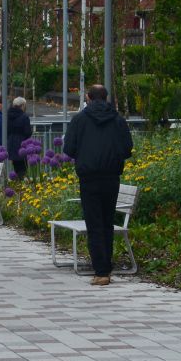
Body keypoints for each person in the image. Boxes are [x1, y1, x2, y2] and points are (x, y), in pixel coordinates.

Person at [61, 85, 133, 286]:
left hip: (89, 177)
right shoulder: (118, 120)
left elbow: (69, 148)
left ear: (88, 97)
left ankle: (101, 271)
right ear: (107, 97)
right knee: (107, 222)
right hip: (111, 177)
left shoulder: (80, 120)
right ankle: (106, 268)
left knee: (94, 224)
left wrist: (86, 155)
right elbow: (127, 149)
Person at [5, 96, 33, 180]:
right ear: (22, 105)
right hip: (22, 144)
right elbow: (27, 132)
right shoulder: (24, 117)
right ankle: (21, 184)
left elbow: (6, 130)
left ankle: (17, 182)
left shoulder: (7, 115)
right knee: (23, 167)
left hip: (11, 143)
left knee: (16, 165)